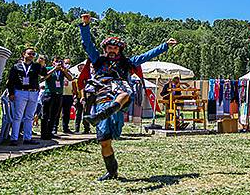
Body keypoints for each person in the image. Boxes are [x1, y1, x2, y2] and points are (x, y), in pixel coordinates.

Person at [79, 14, 177, 181]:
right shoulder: (98, 61)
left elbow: (146, 56)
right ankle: (112, 171)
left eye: (115, 48)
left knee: (125, 92)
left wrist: (165, 46)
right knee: (104, 142)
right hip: (101, 98)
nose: (112, 50)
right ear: (105, 49)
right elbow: (88, 45)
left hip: (120, 95)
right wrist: (85, 25)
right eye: (109, 48)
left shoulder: (127, 63)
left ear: (120, 50)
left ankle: (106, 113)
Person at [6, 48, 47, 146]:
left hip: (33, 92)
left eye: (33, 54)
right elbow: (10, 81)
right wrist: (11, 93)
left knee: (29, 116)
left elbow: (44, 74)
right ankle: (14, 138)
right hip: (20, 92)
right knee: (18, 116)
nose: (31, 55)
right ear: (24, 54)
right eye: (29, 53)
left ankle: (27, 138)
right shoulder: (16, 66)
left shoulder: (36, 66)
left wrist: (42, 65)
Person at [41, 57, 72, 140]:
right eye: (56, 61)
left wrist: (64, 70)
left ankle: (50, 132)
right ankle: (44, 133)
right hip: (49, 94)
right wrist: (54, 69)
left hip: (59, 94)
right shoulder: (48, 68)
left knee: (54, 114)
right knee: (46, 114)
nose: (58, 63)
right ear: (53, 62)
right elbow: (43, 77)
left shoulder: (62, 71)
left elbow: (70, 78)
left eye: (60, 62)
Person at [59, 58, 75, 133]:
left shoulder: (70, 72)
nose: (67, 65)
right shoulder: (59, 72)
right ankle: (54, 128)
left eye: (69, 63)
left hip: (69, 95)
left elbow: (73, 81)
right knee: (57, 112)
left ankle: (66, 128)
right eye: (65, 63)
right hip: (60, 94)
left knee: (67, 113)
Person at [74, 63, 89, 134]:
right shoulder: (76, 78)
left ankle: (86, 129)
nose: (82, 69)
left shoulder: (89, 77)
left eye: (83, 68)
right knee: (78, 113)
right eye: (80, 68)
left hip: (88, 97)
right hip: (78, 97)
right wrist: (75, 96)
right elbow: (74, 88)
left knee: (86, 113)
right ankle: (76, 129)